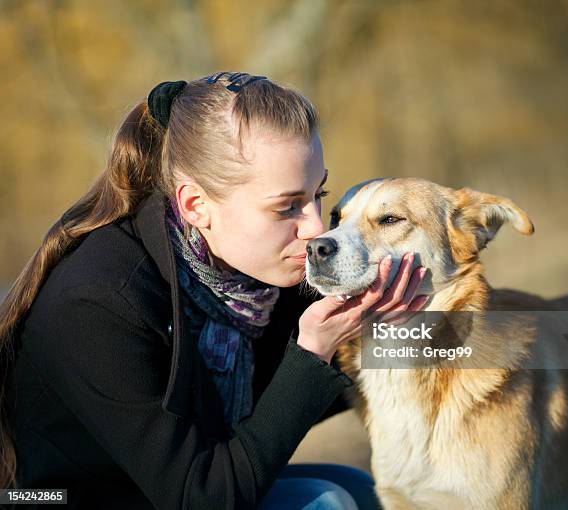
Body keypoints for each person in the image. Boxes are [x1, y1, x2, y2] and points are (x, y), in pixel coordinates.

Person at [0, 72, 427, 509]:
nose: (316, 227)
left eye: (318, 195)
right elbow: (203, 497)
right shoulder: (100, 303)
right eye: (287, 207)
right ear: (195, 205)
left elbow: (331, 382)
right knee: (327, 502)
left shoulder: (254, 275)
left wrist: (405, 327)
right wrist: (312, 352)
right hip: (60, 500)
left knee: (352, 486)